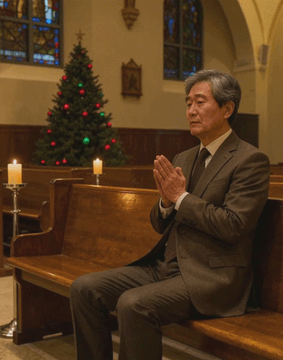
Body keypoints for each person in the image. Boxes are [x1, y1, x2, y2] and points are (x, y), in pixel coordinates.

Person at [69, 69, 270, 360]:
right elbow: (159, 222)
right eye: (188, 103)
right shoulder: (184, 158)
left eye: (200, 102)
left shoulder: (249, 160)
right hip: (165, 265)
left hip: (210, 276)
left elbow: (234, 226)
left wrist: (181, 198)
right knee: (84, 288)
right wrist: (165, 203)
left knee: (133, 304)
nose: (191, 111)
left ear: (228, 108)